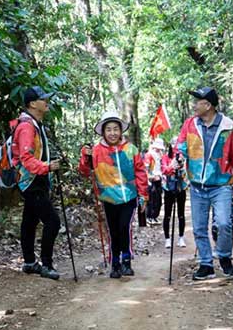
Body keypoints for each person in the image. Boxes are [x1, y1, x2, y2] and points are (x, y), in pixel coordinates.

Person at [177, 87, 233, 280]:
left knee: (224, 223)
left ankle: (224, 256)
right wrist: (179, 158)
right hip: (197, 185)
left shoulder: (229, 126)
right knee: (199, 228)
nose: (194, 105)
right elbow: (182, 146)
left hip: (221, 184)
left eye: (197, 102)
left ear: (207, 105)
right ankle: (206, 264)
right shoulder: (190, 124)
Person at [79, 111, 149, 279]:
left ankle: (126, 261)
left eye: (115, 129)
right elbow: (85, 171)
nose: (112, 133)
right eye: (108, 129)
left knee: (124, 227)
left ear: (121, 131)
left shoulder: (130, 149)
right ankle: (115, 263)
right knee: (113, 230)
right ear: (103, 132)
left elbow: (140, 172)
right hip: (108, 198)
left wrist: (143, 195)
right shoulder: (95, 151)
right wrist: (85, 157)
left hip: (129, 197)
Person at [12, 86, 62, 280]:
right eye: (43, 99)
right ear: (33, 104)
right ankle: (46, 265)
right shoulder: (27, 127)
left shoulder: (34, 124)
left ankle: (29, 262)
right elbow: (26, 158)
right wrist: (47, 167)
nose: (46, 102)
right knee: (53, 221)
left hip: (34, 180)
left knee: (30, 221)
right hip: (31, 181)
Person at [161, 137, 188, 249]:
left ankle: (181, 237)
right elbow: (164, 170)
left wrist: (182, 167)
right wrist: (172, 166)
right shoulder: (165, 157)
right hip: (169, 188)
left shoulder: (184, 157)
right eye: (174, 144)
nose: (176, 147)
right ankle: (167, 238)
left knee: (181, 214)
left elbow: (187, 172)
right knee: (167, 214)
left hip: (181, 187)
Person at [145, 138, 165, 225]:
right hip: (151, 180)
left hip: (159, 179)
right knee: (151, 200)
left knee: (158, 199)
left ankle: (155, 216)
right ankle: (149, 217)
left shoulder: (160, 155)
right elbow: (145, 168)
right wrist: (151, 177)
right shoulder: (149, 155)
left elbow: (160, 167)